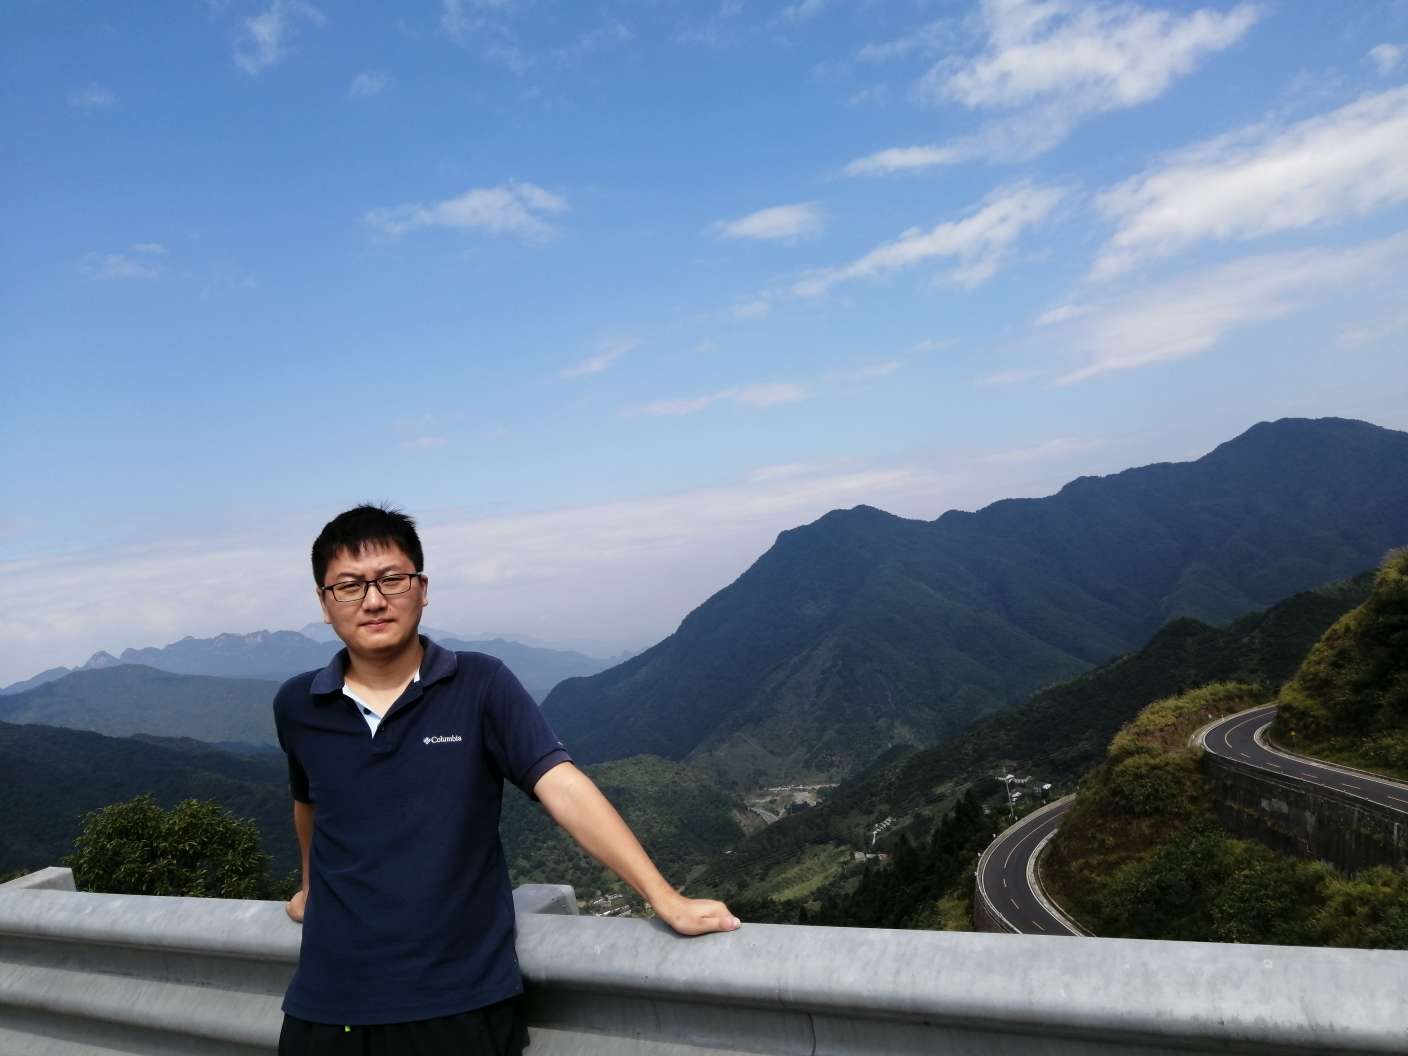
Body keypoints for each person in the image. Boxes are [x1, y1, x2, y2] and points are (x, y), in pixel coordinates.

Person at [273, 504, 739, 1055]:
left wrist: (664, 897)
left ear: (422, 588)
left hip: (459, 1003)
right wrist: (311, 886)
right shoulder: (299, 705)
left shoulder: (480, 684)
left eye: (391, 579)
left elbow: (561, 785)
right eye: (349, 586)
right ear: (325, 604)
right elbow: (310, 804)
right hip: (327, 1006)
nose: (373, 600)